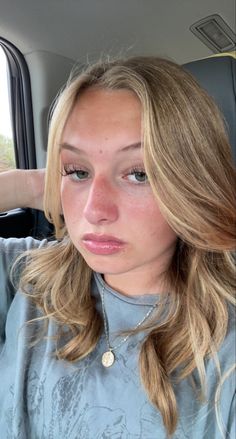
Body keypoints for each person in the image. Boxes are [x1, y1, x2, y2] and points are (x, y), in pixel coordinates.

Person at [0, 56, 235, 439]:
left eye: (139, 173)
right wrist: (31, 185)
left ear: (192, 182)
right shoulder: (28, 277)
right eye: (77, 171)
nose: (95, 210)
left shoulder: (224, 351)